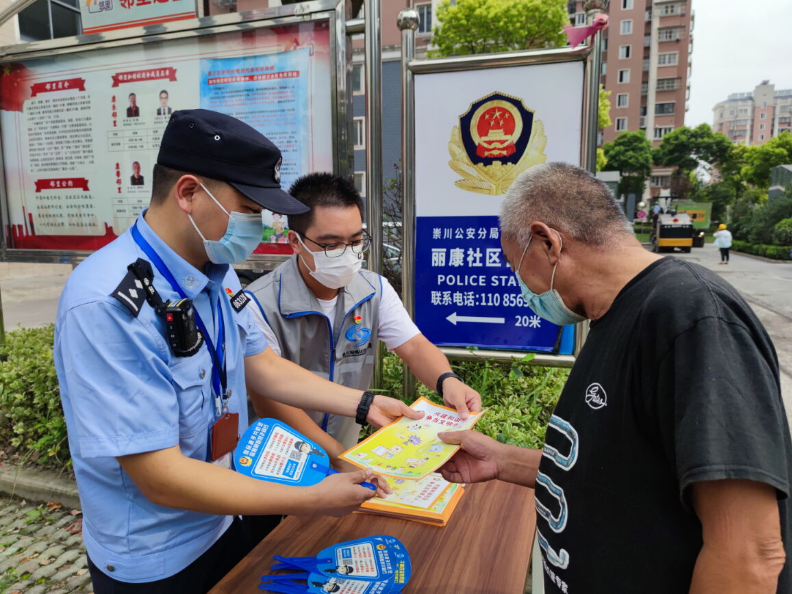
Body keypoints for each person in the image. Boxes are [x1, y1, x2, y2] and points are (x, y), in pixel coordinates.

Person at [53, 110, 419, 593]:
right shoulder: (106, 304)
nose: (260, 224)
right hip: (160, 557)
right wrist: (313, 495)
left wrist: (365, 404)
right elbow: (159, 476)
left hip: (226, 520)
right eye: (248, 207)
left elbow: (262, 366)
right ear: (188, 193)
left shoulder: (212, 275)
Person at [438, 162, 791, 593]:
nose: (520, 285)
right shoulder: (616, 314)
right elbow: (613, 468)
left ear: (548, 242)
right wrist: (500, 460)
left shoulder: (692, 319)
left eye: (515, 266)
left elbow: (750, 554)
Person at [245, 172, 482, 454]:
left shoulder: (373, 289)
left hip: (346, 452)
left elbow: (415, 346)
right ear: (295, 241)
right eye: (330, 245)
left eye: (356, 241)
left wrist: (448, 381)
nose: (347, 254)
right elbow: (270, 400)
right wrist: (337, 458)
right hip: (278, 458)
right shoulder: (257, 303)